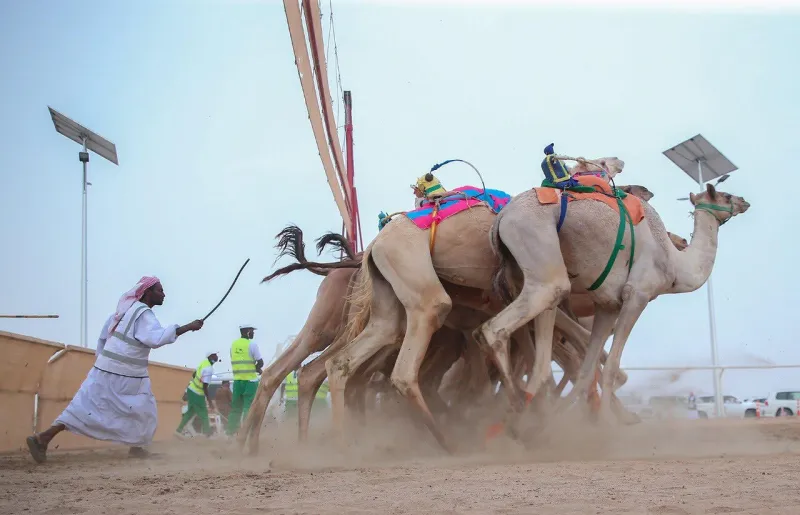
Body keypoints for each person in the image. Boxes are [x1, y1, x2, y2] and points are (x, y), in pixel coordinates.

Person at [25, 276, 204, 463]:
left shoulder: (124, 311)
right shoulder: (144, 314)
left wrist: (102, 364)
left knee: (82, 407)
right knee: (145, 410)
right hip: (129, 375)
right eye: (160, 290)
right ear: (147, 293)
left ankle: (43, 438)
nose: (164, 294)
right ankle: (137, 448)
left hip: (105, 370)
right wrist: (189, 327)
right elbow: (156, 338)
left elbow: (104, 338)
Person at [226, 324, 263, 435]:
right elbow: (260, 362)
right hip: (250, 381)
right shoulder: (252, 345)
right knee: (249, 408)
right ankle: (245, 433)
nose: (253, 333)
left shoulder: (233, 345)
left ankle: (230, 434)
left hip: (237, 381)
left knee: (236, 409)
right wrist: (257, 368)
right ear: (247, 332)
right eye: (252, 331)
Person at [175, 351, 219, 437]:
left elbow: (194, 374)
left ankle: (178, 430)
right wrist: (210, 402)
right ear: (210, 357)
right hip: (198, 393)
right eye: (214, 355)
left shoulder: (203, 363)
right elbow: (205, 387)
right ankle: (207, 433)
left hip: (191, 390)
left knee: (190, 412)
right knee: (204, 414)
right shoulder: (209, 369)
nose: (216, 357)